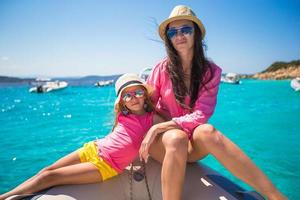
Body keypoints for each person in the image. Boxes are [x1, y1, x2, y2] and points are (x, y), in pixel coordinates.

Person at [139, 5, 287, 200]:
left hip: (189, 143)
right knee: (176, 137)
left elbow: (201, 114)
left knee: (207, 131)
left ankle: (275, 196)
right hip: (165, 143)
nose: (179, 35)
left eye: (185, 29)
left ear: (196, 33)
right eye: (173, 32)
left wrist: (167, 125)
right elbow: (147, 105)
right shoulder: (161, 68)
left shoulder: (211, 72)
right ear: (168, 37)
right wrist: (155, 129)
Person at [0, 73, 164, 200]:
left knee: (49, 177)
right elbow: (118, 137)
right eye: (127, 95)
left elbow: (173, 126)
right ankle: (10, 194)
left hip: (106, 165)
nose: (133, 97)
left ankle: (5, 198)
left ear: (144, 94)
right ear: (123, 102)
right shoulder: (123, 115)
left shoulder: (152, 119)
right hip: (93, 148)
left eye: (137, 92)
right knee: (46, 169)